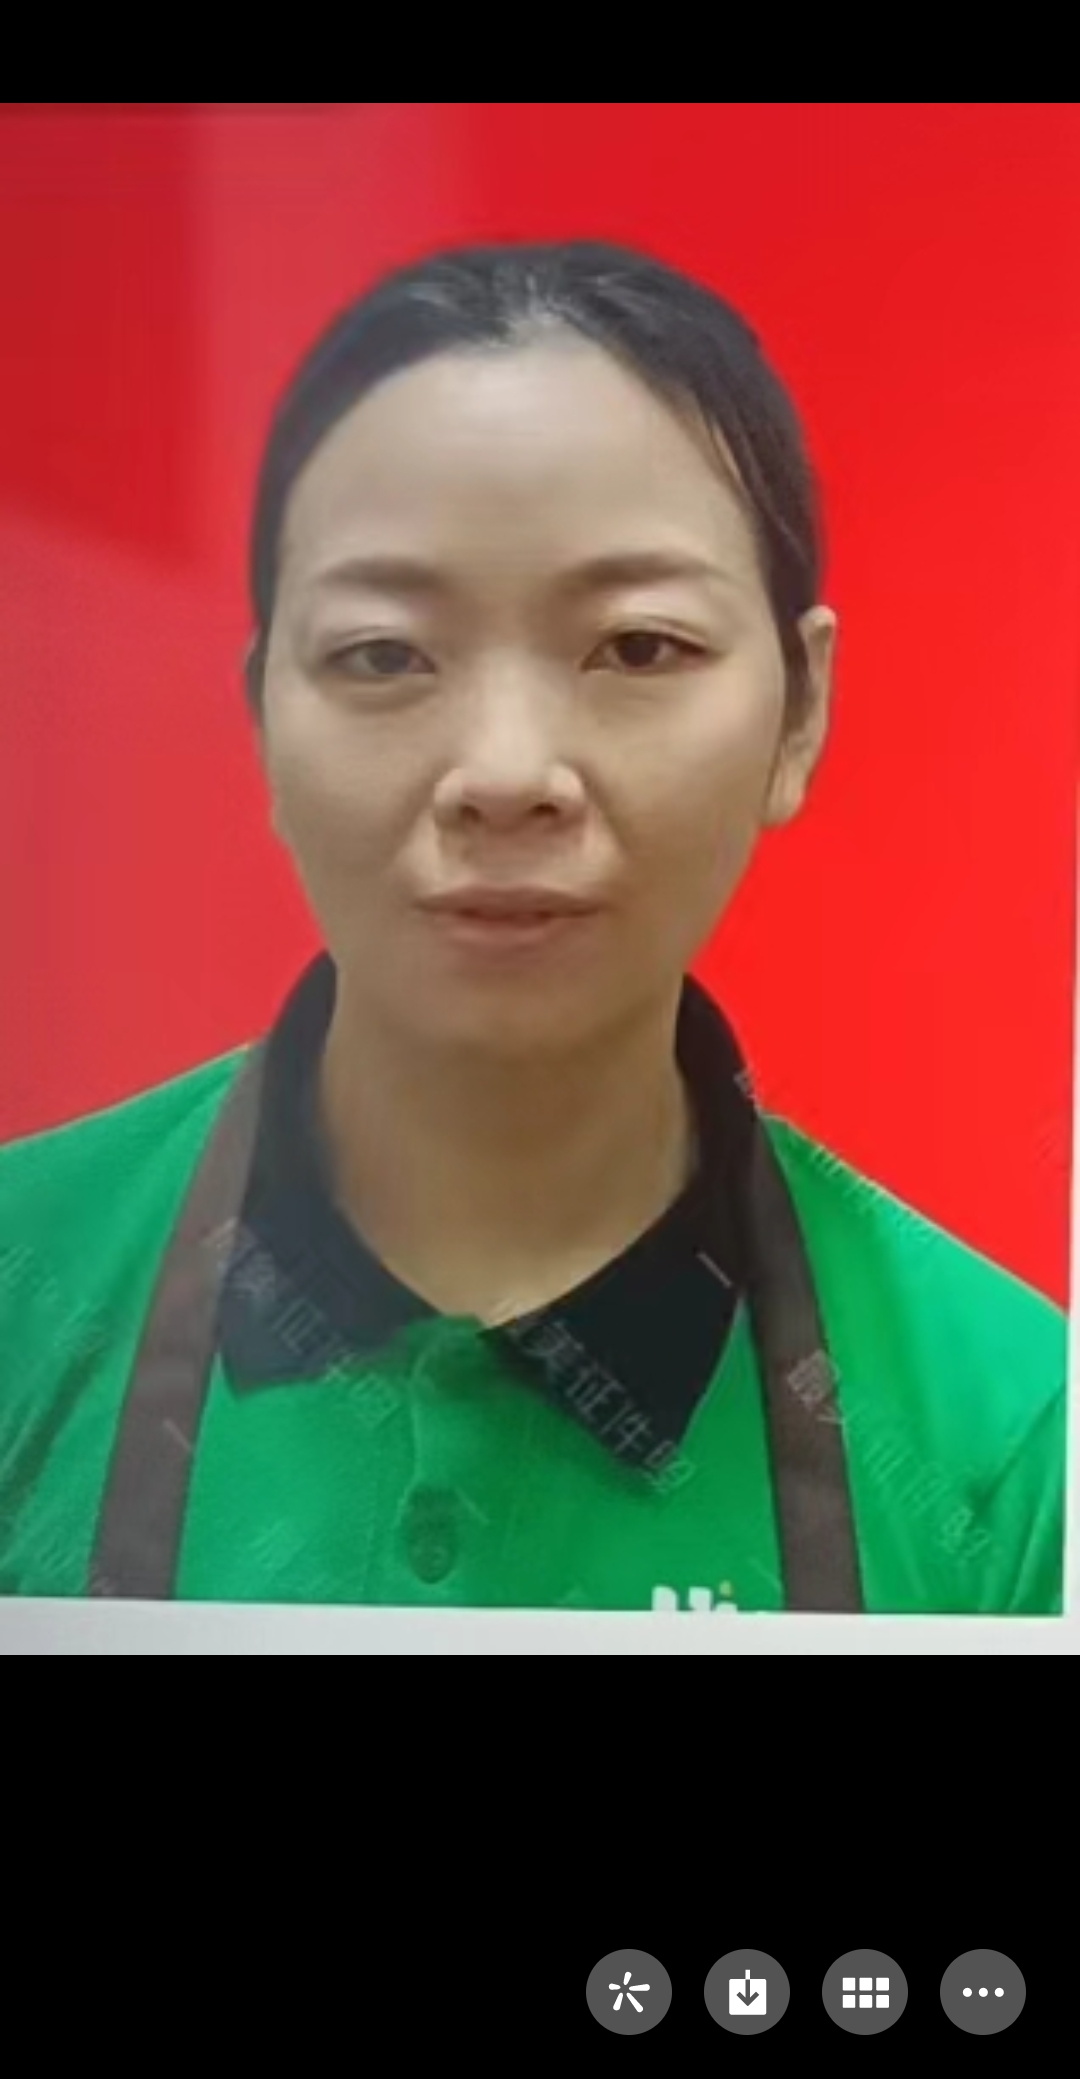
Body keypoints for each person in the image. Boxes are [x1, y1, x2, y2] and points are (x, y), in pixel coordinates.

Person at [0, 240, 1066, 1614]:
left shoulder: (1018, 1454)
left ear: (800, 708)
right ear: (264, 711)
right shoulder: (28, 1293)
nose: (506, 773)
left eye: (637, 647)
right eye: (385, 653)